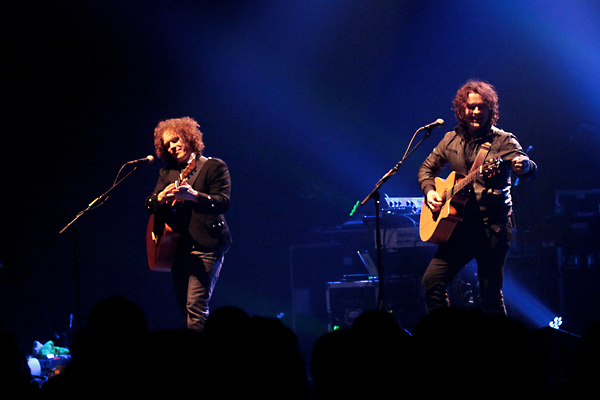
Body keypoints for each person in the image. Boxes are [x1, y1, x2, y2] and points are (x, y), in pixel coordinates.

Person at [418, 80, 536, 315]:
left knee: (490, 294)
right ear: (462, 110)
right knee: (432, 282)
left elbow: (527, 166)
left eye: (482, 107)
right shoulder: (451, 139)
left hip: (491, 228)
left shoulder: (503, 140)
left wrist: (525, 166)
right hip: (459, 228)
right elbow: (426, 169)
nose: (476, 112)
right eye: (471, 107)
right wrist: (430, 191)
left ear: (490, 110)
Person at [145, 117, 232, 333]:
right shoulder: (167, 173)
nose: (172, 147)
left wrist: (195, 196)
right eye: (167, 145)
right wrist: (160, 198)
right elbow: (150, 204)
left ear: (188, 137)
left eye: (175, 140)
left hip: (206, 246)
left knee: (196, 307)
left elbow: (223, 202)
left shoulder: (213, 166)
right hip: (176, 248)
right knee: (184, 307)